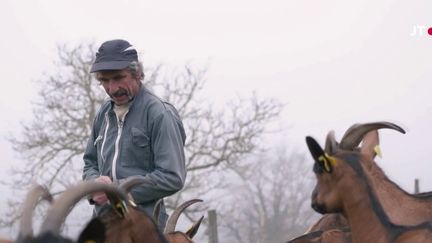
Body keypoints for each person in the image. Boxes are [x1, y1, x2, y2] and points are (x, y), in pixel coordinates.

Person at [82, 39, 187, 230]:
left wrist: (116, 190)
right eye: (104, 80)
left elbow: (172, 177)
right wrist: (94, 184)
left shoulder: (159, 113)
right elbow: (90, 163)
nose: (112, 88)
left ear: (137, 74)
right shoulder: (103, 114)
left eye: (118, 77)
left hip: (144, 229)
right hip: (104, 226)